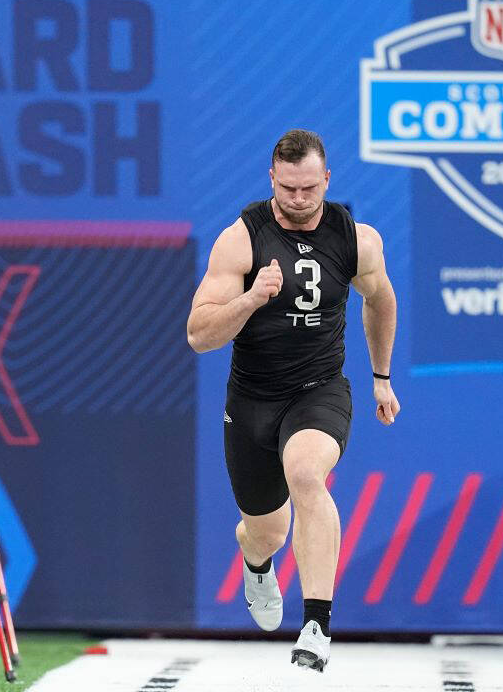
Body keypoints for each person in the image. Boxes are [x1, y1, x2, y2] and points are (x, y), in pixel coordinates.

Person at [186, 128, 400, 671]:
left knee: (307, 474)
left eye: (309, 189)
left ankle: (316, 625)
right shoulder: (240, 239)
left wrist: (381, 375)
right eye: (288, 189)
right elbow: (199, 334)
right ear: (271, 180)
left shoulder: (357, 239)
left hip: (319, 390)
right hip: (253, 399)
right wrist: (253, 298)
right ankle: (256, 564)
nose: (300, 201)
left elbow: (381, 299)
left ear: (326, 179)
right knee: (266, 531)